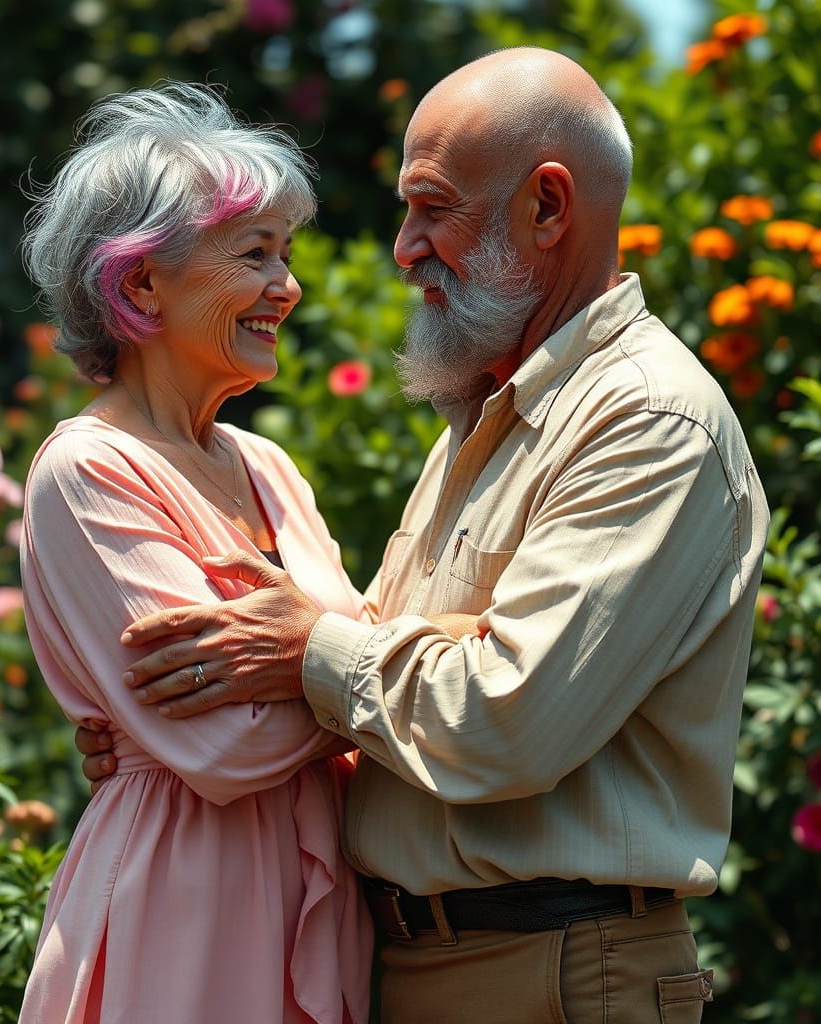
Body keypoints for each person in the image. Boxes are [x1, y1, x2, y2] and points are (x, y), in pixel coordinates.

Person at [80, 48, 770, 1023]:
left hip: (557, 974)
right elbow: (388, 687)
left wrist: (296, 652)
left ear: (546, 206)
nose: (402, 247)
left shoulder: (646, 419)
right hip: (440, 963)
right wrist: (164, 729)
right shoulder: (494, 412)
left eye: (430, 207)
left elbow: (503, 719)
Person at [17, 82, 377, 1023]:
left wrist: (318, 665)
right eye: (254, 255)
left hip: (312, 895)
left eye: (286, 253)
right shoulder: (88, 469)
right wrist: (367, 670)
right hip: (183, 908)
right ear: (140, 284)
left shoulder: (265, 466)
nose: (288, 286)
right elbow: (226, 745)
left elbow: (351, 660)